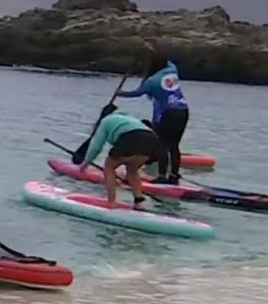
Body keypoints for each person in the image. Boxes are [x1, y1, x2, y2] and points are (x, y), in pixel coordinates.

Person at [115, 48, 189, 184]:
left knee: (162, 145)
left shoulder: (151, 82)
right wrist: (152, 50)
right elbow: (168, 61)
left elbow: (136, 93)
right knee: (174, 145)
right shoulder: (172, 70)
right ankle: (174, 175)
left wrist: (121, 93)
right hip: (183, 110)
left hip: (169, 112)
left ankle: (161, 176)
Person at [78, 104, 164, 210]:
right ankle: (138, 202)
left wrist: (86, 163)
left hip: (131, 138)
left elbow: (96, 147)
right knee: (132, 171)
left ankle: (111, 202)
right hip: (152, 141)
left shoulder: (106, 121)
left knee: (109, 167)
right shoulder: (129, 118)